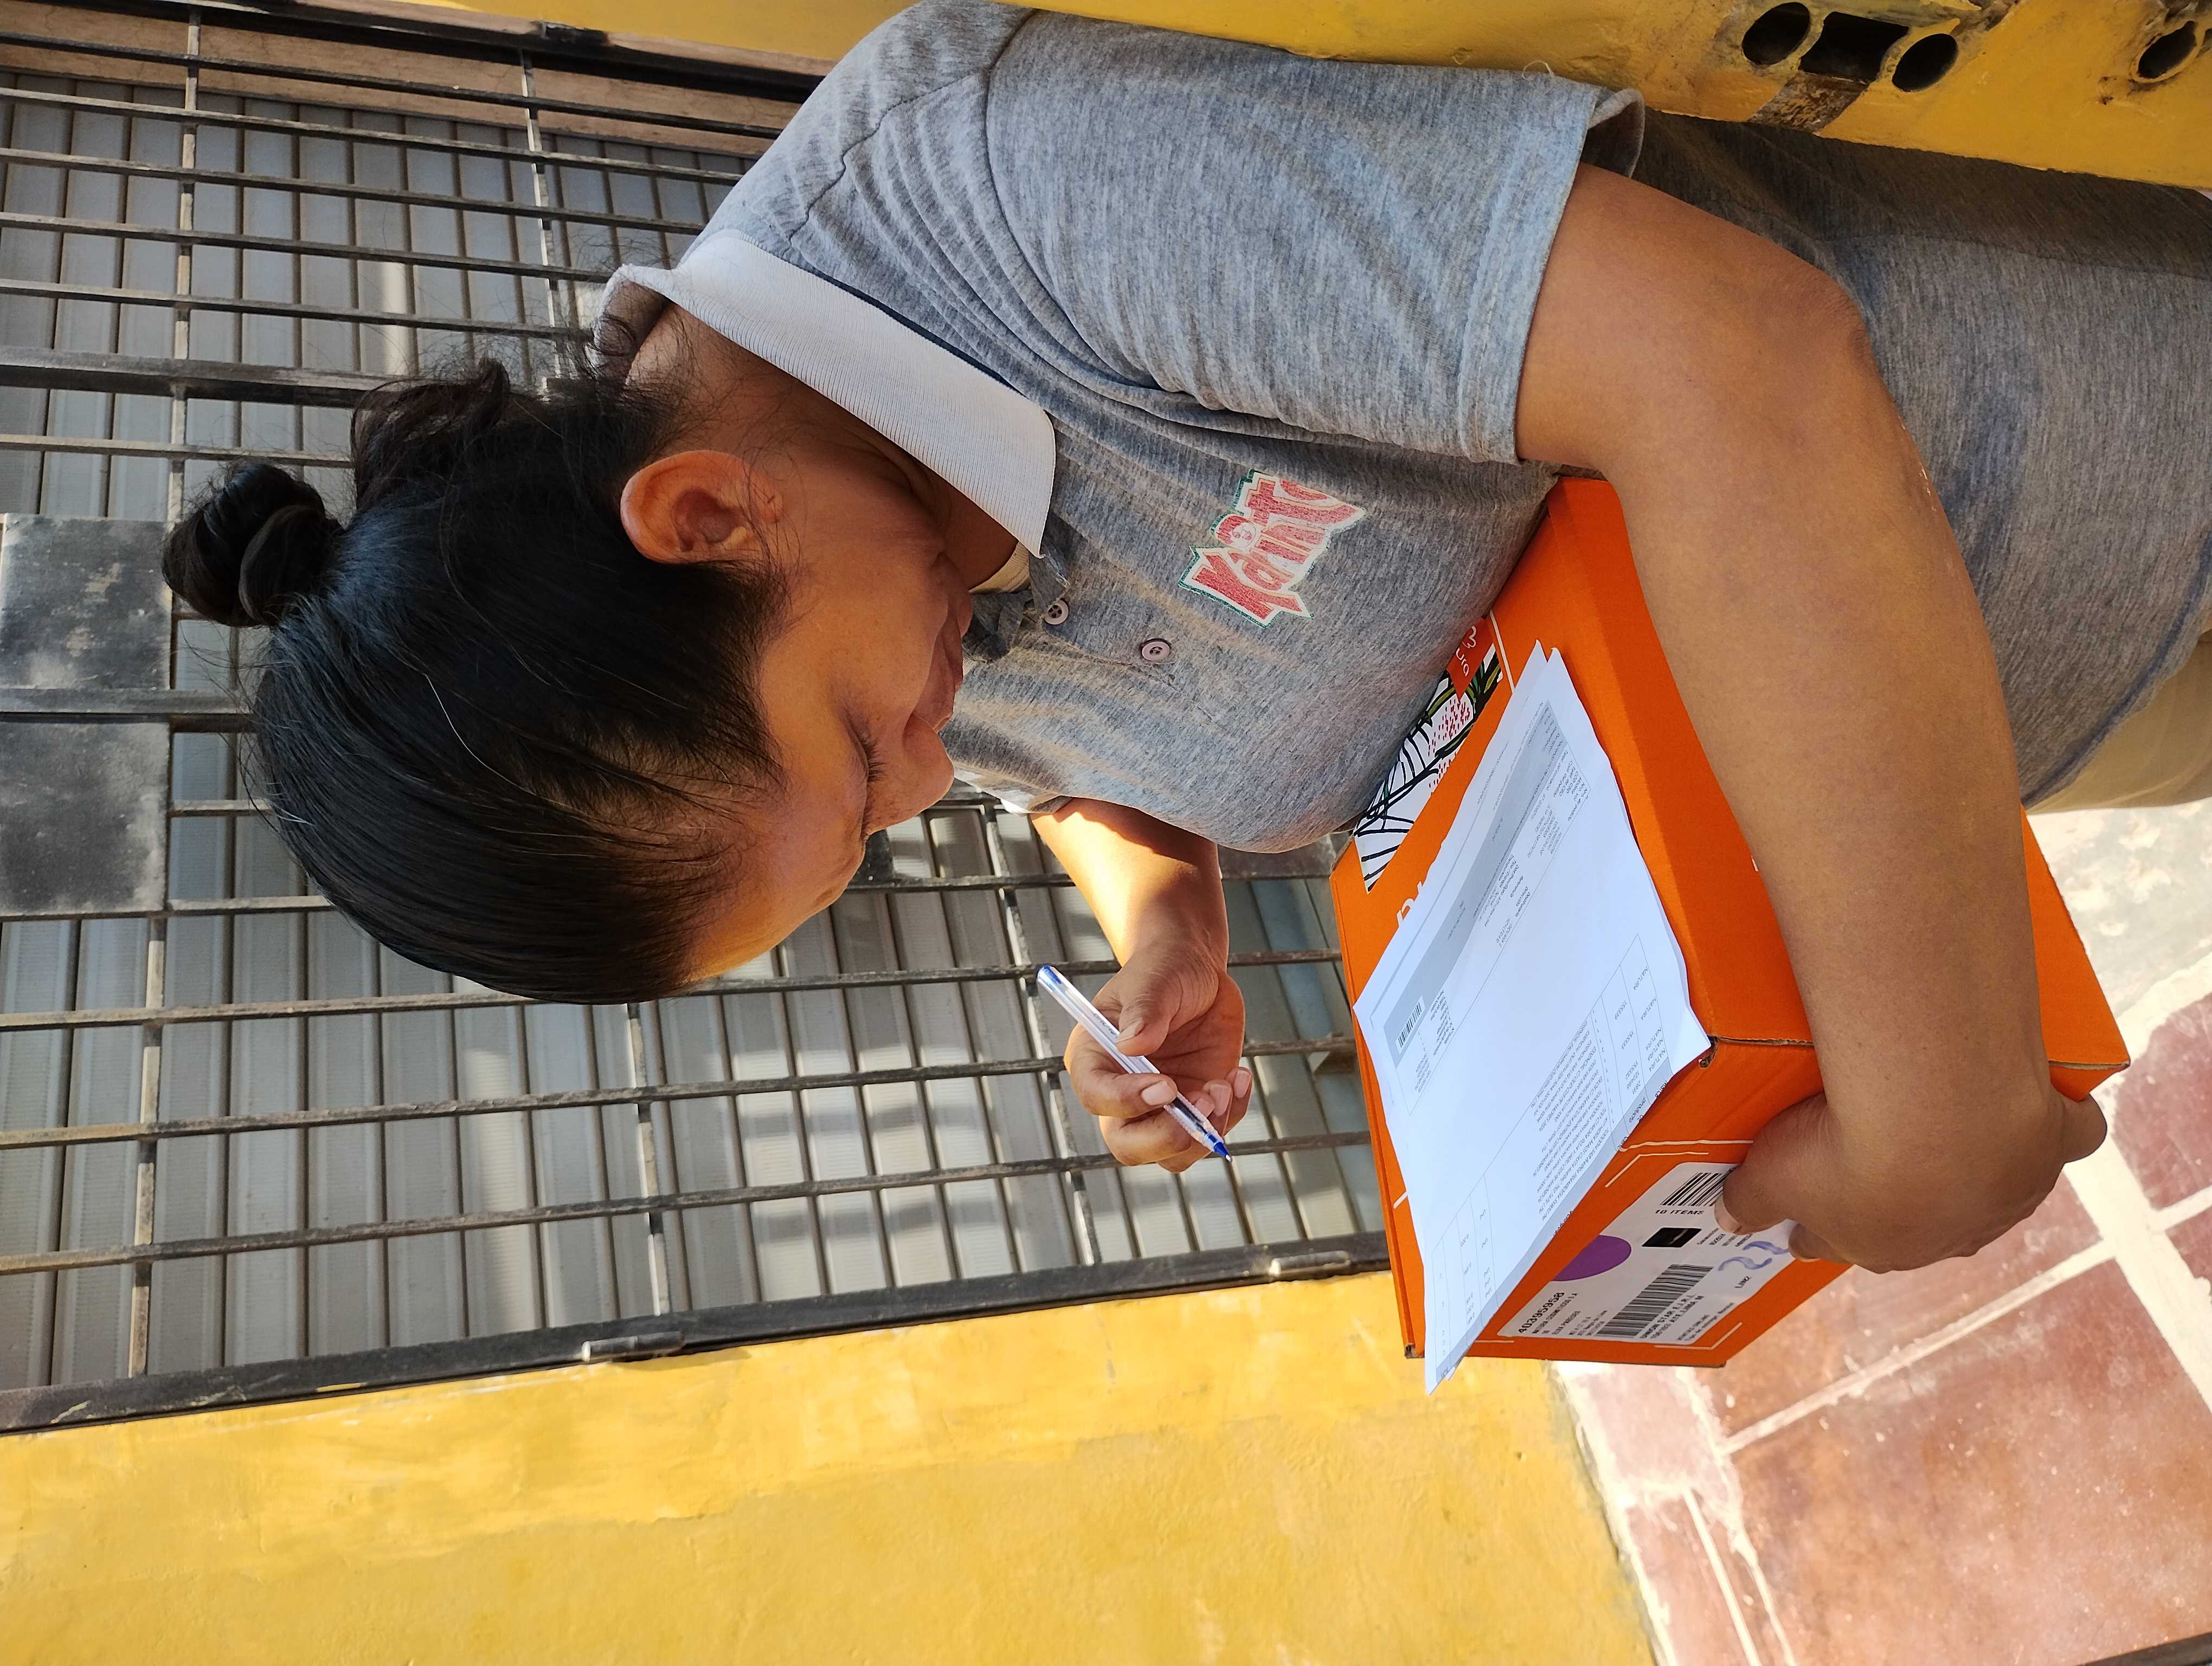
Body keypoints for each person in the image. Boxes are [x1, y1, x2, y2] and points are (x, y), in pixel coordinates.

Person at [164, 2, 2212, 1277]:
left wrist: (1937, 1107)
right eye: (879, 827)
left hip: (2127, 458)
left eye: (865, 753)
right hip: (2018, 719)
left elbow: (1734, 365)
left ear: (708, 518)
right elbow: (1072, 756)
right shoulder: (857, 568)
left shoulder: (995, 196)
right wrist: (1163, 919)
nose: (938, 772)